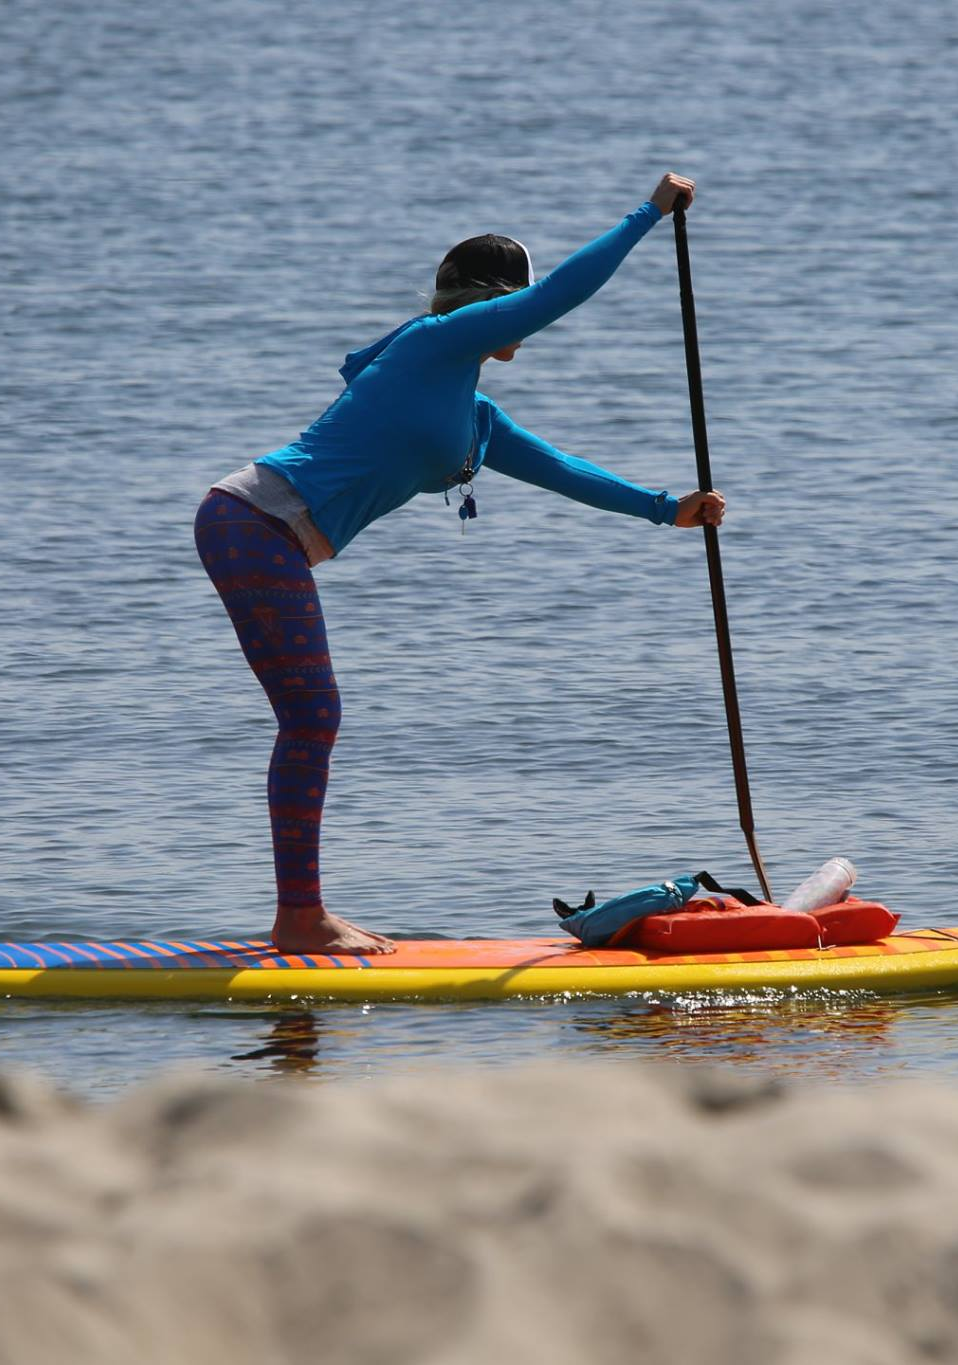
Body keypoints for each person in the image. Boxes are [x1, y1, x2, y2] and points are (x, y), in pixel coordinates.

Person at [196, 172, 723, 955]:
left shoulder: (473, 410)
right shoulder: (434, 339)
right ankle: (299, 916)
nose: (527, 320)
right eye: (517, 303)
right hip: (251, 523)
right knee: (313, 718)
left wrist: (664, 506)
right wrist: (648, 213)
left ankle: (299, 912)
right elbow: (557, 298)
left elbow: (563, 470)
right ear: (488, 300)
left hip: (265, 534)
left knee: (311, 717)